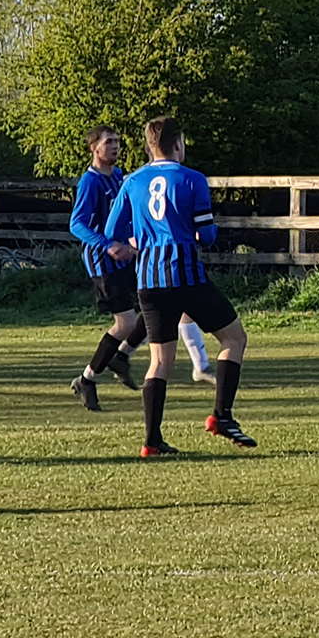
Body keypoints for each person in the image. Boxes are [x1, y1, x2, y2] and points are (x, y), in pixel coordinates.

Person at [104, 117, 254, 455]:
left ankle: (152, 441)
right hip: (185, 275)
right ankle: (222, 415)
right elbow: (207, 234)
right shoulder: (192, 179)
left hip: (148, 281)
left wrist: (140, 238)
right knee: (234, 338)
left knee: (160, 361)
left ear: (149, 146)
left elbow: (113, 231)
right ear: (177, 144)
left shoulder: (132, 181)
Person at [68, 126, 138, 410]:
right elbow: (77, 224)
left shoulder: (119, 176)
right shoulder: (91, 182)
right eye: (109, 142)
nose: (115, 146)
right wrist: (107, 245)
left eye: (117, 141)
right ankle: (87, 379)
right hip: (104, 262)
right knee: (126, 323)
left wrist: (133, 239)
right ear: (94, 148)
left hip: (127, 257)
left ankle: (121, 356)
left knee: (158, 304)